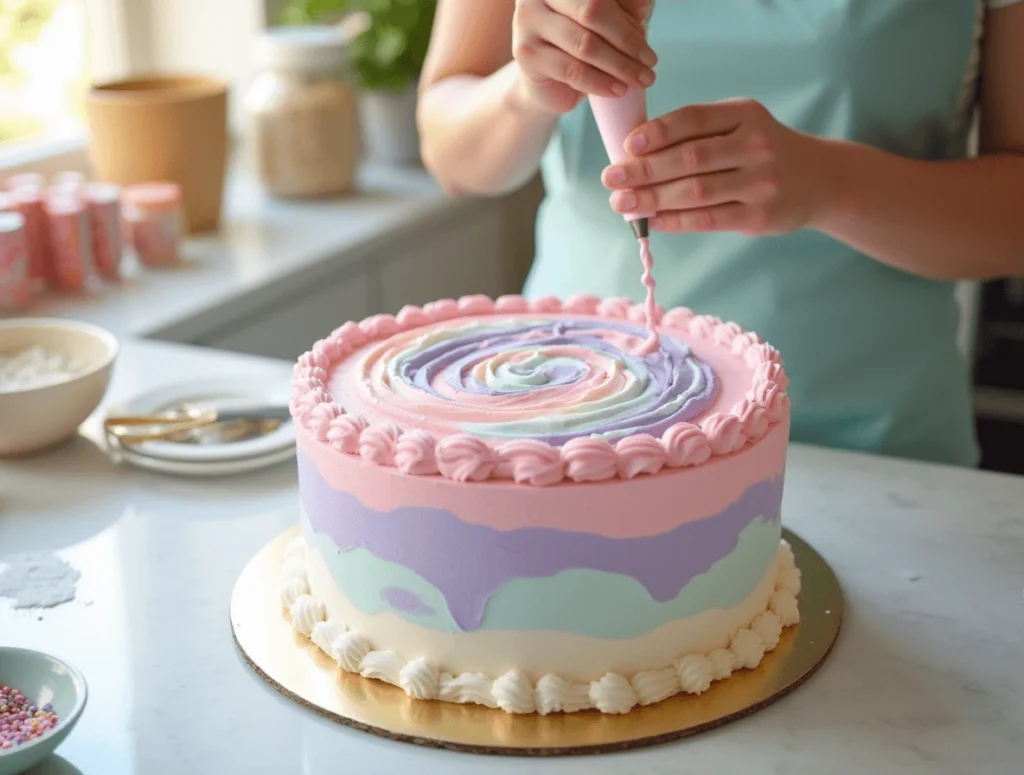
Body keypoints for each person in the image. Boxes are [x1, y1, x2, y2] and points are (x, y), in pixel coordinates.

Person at [416, 0, 1024, 467]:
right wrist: (526, 91)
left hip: (873, 453)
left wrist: (832, 184)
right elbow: (449, 150)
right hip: (572, 440)